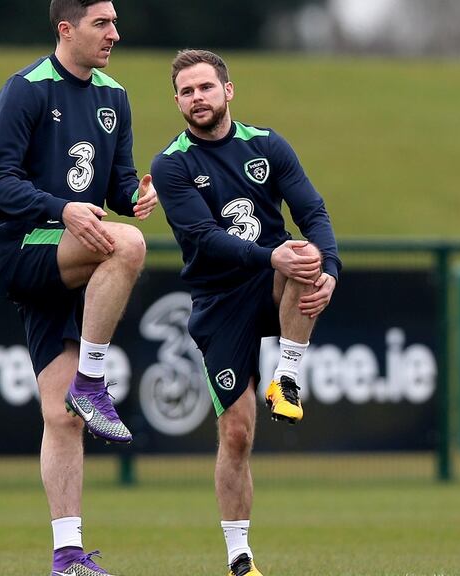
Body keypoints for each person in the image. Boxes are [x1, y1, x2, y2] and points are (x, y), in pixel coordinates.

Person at [0, 1, 158, 574]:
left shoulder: (115, 97)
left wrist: (136, 198)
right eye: (101, 24)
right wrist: (64, 210)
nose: (114, 34)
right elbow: (0, 181)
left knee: (61, 417)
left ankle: (68, 554)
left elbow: (119, 184)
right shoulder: (26, 89)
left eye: (114, 23)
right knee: (127, 245)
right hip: (18, 246)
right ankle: (94, 380)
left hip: (68, 256)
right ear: (66, 28)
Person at [150, 49, 341, 576]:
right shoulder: (171, 164)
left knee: (306, 255)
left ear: (228, 91)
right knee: (236, 432)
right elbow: (204, 239)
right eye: (187, 92)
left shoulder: (267, 145)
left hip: (275, 277)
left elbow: (312, 211)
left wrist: (332, 271)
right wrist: (269, 253)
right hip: (219, 298)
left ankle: (289, 378)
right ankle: (239, 558)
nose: (197, 99)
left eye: (206, 88)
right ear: (177, 101)